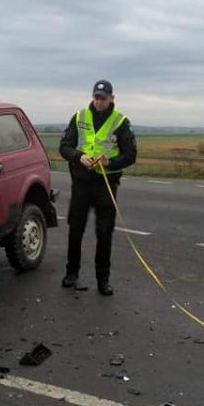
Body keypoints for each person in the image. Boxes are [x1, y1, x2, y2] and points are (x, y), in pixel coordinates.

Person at [59, 80, 137, 295]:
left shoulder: (121, 121)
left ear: (112, 98)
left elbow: (130, 155)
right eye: (96, 97)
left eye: (103, 98)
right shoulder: (80, 116)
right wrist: (79, 156)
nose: (99, 101)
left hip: (106, 184)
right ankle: (71, 274)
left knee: (104, 233)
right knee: (75, 229)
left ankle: (103, 280)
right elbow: (64, 147)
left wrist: (109, 162)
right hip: (81, 183)